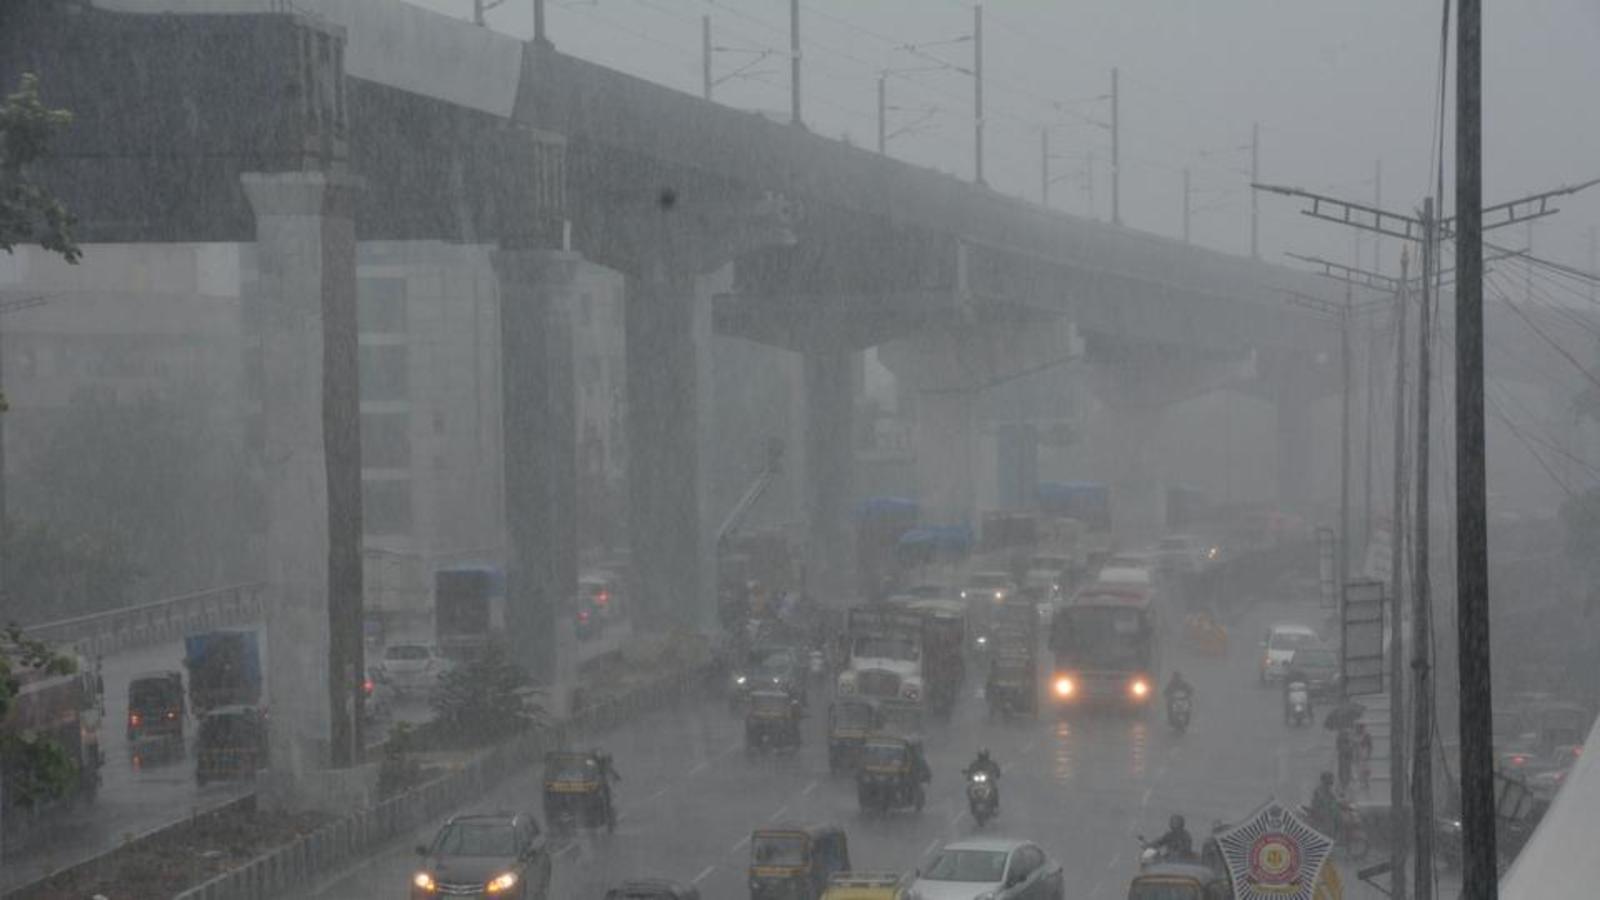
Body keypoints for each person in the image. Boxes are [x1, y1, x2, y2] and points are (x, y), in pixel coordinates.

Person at [1310, 771, 1342, 837]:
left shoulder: (1330, 792)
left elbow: (1335, 801)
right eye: (1328, 782)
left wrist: (1339, 803)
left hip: (1329, 815)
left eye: (1330, 783)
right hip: (1321, 815)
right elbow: (1321, 802)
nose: (1329, 785)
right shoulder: (1319, 791)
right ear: (1323, 781)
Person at [1355, 723, 1373, 791]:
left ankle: (1366, 783)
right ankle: (1362, 783)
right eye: (1359, 728)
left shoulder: (1367, 736)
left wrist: (1368, 755)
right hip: (1357, 755)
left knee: (1366, 770)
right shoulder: (1355, 736)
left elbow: (1370, 746)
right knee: (1359, 770)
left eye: (1362, 728)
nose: (1360, 729)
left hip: (1364, 754)